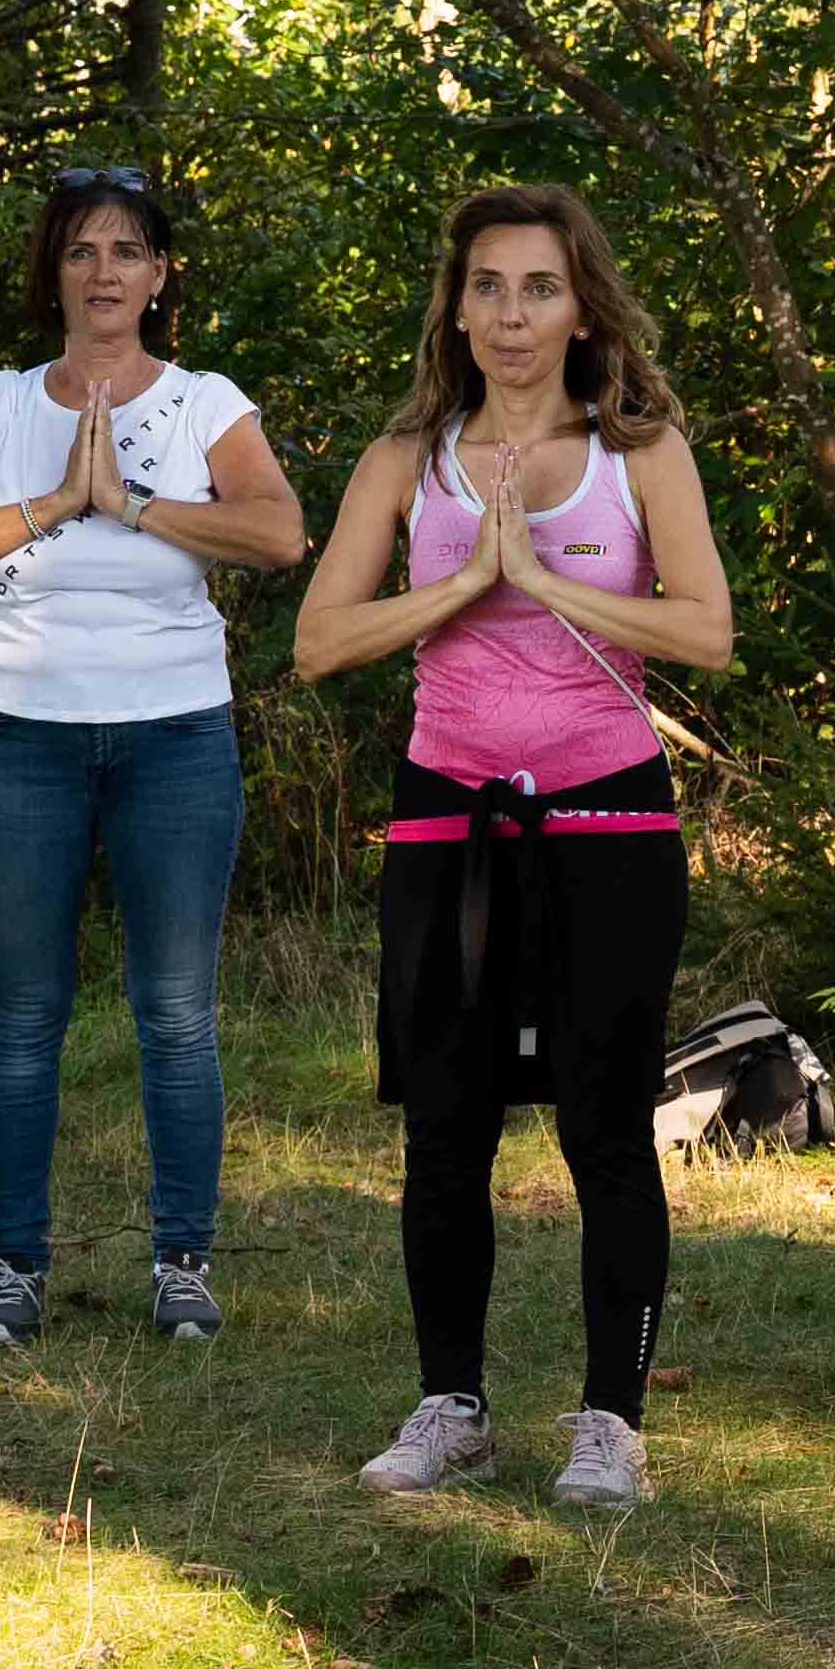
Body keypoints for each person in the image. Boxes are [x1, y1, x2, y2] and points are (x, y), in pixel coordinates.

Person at [306, 188, 735, 1512]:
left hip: (610, 822)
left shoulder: (639, 451)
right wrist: (461, 585)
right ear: (456, 310)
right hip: (450, 823)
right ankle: (452, 1407)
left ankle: (611, 1424)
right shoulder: (408, 456)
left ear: (581, 308)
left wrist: (544, 581)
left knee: (607, 1127)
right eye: (486, 286)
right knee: (447, 1129)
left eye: (539, 287)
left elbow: (708, 630)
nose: (511, 314)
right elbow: (320, 640)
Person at [0, 170, 310, 1347]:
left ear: (160, 275)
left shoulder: (206, 404)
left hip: (176, 737)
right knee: (22, 1013)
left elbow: (278, 531)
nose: (104, 272)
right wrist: (55, 501)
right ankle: (15, 1267)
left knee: (177, 1012)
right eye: (81, 251)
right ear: (54, 274)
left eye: (126, 251)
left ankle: (184, 1262)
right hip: (18, 740)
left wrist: (131, 504)